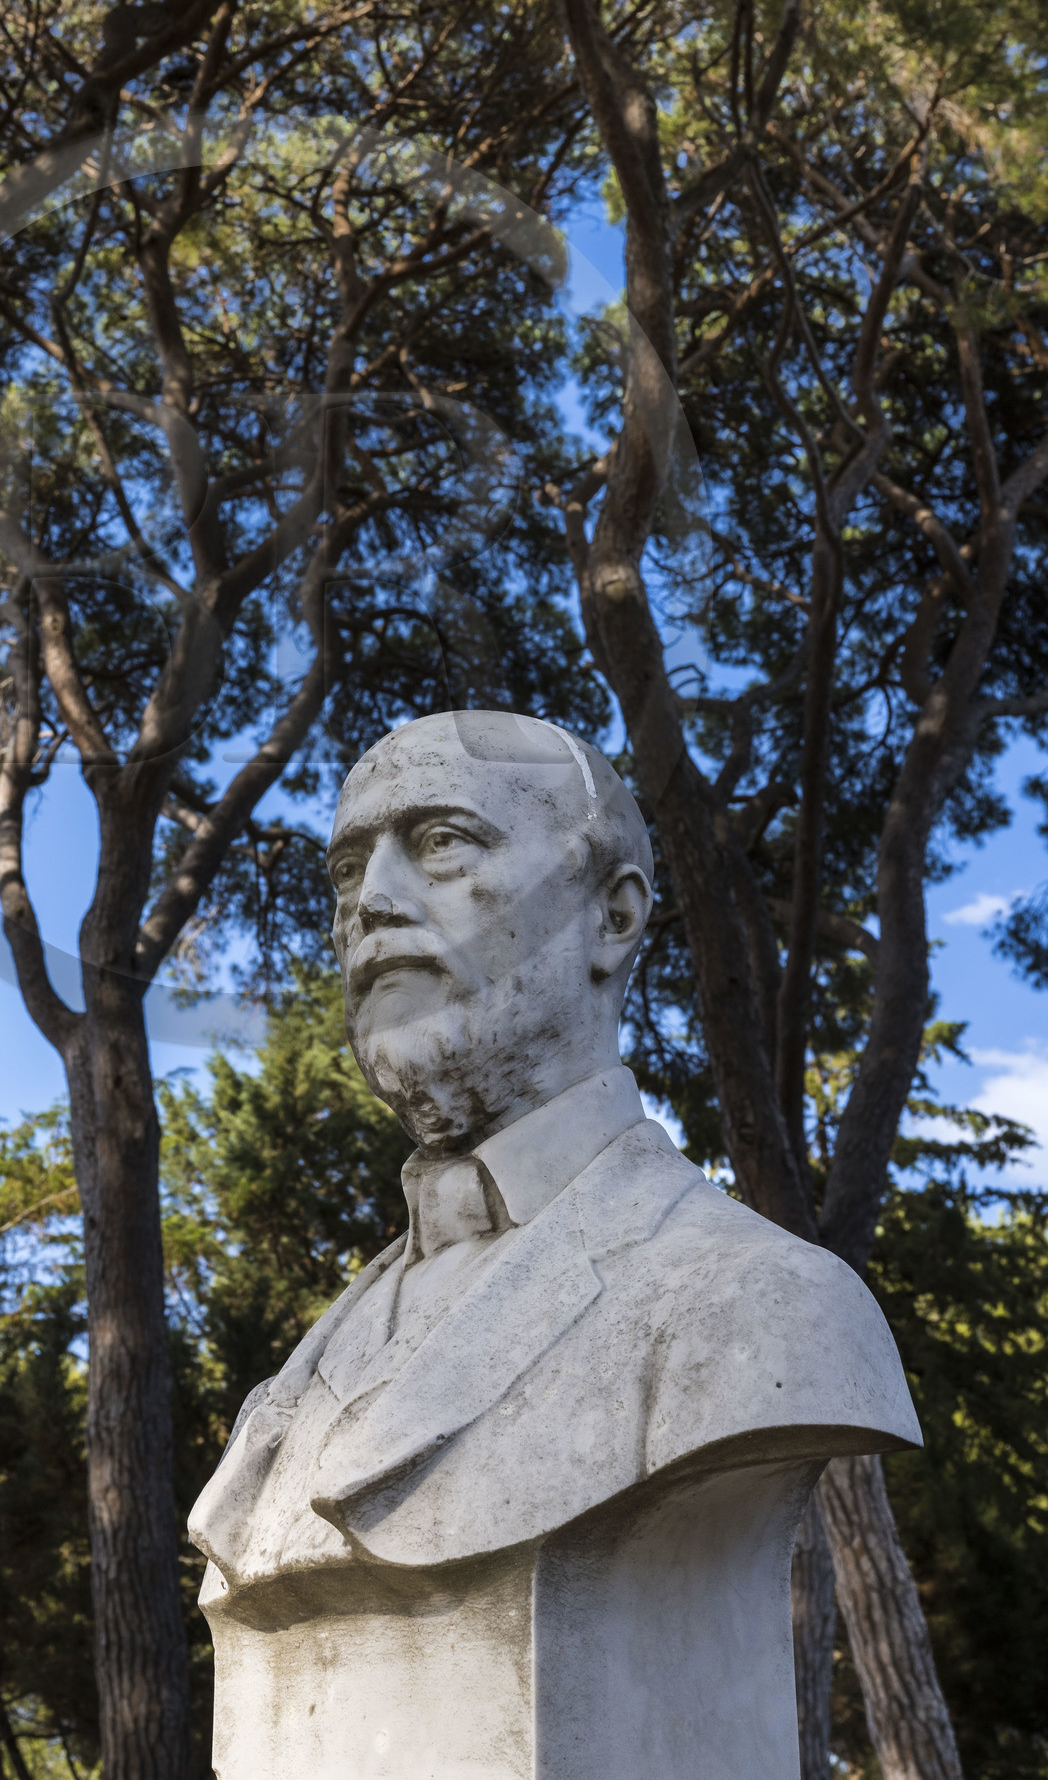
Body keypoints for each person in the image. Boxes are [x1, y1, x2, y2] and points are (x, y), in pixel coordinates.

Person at [190, 710, 917, 1780]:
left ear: (613, 917)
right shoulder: (319, 1356)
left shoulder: (757, 1304)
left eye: (440, 843)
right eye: (349, 869)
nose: (373, 902)